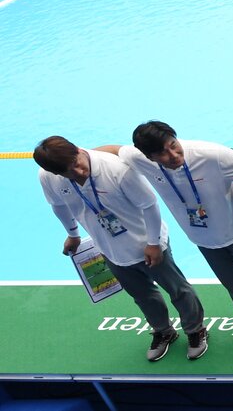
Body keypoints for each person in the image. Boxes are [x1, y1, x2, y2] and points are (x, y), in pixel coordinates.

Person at [115, 121, 233, 349]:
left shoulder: (212, 156)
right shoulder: (139, 159)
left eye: (174, 145)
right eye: (163, 153)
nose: (173, 155)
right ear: (150, 157)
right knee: (232, 282)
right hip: (203, 237)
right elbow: (115, 150)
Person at [36, 136, 208, 361]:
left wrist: (154, 243)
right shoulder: (48, 177)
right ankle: (164, 332)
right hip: (110, 248)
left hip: (148, 243)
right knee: (142, 295)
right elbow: (59, 206)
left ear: (79, 149)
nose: (78, 172)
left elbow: (149, 205)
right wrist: (73, 234)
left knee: (178, 289)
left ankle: (195, 330)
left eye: (77, 163)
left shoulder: (116, 170)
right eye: (69, 172)